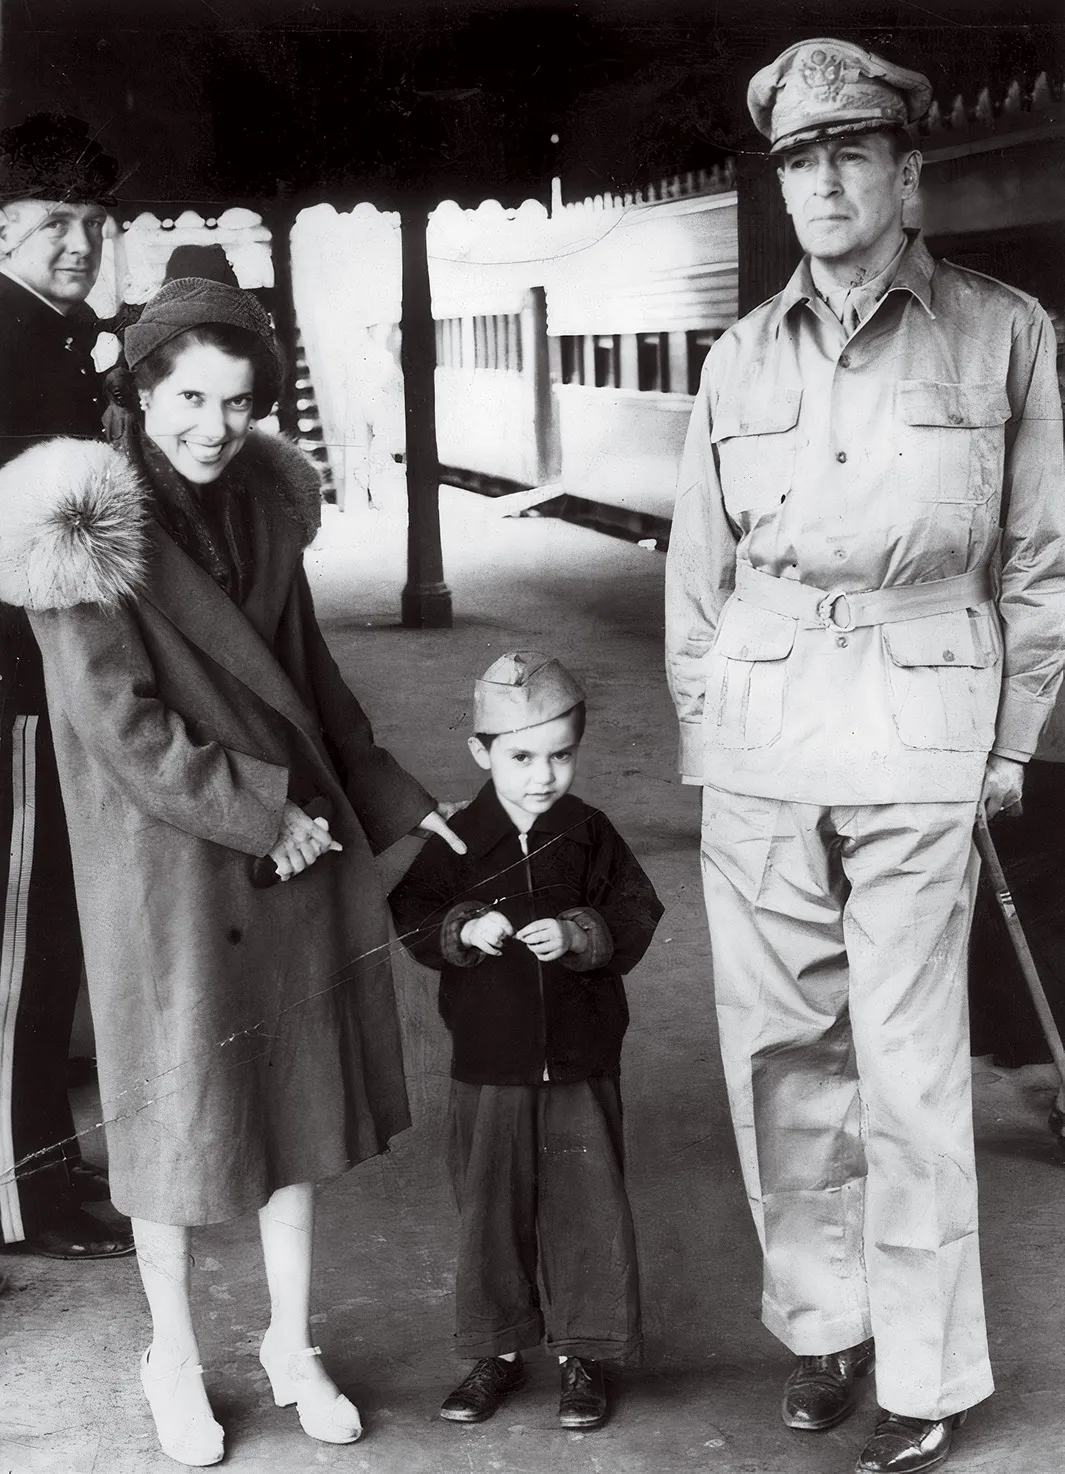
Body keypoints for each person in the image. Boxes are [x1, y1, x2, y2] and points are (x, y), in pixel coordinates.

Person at [664, 37, 1065, 1474]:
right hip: (770, 723)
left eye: (847, 153)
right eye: (795, 160)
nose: (819, 183)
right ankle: (822, 1324)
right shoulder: (735, 353)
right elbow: (696, 580)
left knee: (904, 1062)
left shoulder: (1004, 332)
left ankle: (928, 1364)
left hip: (920, 717)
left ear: (908, 171)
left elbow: (1040, 556)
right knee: (781, 1052)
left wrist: (1012, 733)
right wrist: (710, 737)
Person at [0, 273, 465, 1467]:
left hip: (283, 843)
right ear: (140, 390)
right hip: (171, 860)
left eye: (240, 401)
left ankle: (290, 1342)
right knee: (174, 1121)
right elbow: (122, 730)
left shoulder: (262, 508)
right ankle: (171, 1353)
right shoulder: (78, 523)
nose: (215, 425)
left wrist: (396, 800)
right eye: (191, 397)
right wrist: (272, 817)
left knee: (293, 1109)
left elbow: (308, 680)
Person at [389, 652, 662, 1431]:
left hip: (580, 1059)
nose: (541, 776)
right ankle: (495, 1352)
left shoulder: (588, 832)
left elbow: (635, 911)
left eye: (560, 755)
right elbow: (410, 914)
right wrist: (463, 926)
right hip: (489, 1061)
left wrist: (581, 931)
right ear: (480, 752)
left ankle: (586, 1354)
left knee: (586, 1206)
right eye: (519, 757)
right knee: (489, 1208)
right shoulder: (456, 836)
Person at [0, 111, 133, 1259]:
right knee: (21, 949)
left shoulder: (61, 331)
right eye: (56, 222)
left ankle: (37, 1166)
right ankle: (21, 1194)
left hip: (51, 670)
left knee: (50, 939)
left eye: (95, 222)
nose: (82, 241)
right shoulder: (9, 333)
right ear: (2, 231)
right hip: (13, 683)